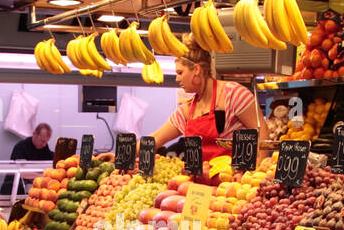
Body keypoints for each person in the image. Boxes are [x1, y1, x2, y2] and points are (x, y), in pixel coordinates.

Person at [104, 36, 265, 166]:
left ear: (196, 70)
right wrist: (120, 155)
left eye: (180, 72)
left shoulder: (233, 94)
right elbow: (156, 138)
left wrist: (256, 173)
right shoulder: (188, 109)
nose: (177, 78)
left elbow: (262, 133)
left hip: (231, 185)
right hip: (199, 185)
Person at [2, 123, 54, 195]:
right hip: (12, 192)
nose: (44, 144)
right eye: (42, 141)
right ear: (34, 134)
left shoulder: (44, 148)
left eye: (46, 141)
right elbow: (22, 172)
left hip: (29, 193)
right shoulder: (21, 147)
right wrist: (44, 177)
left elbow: (51, 163)